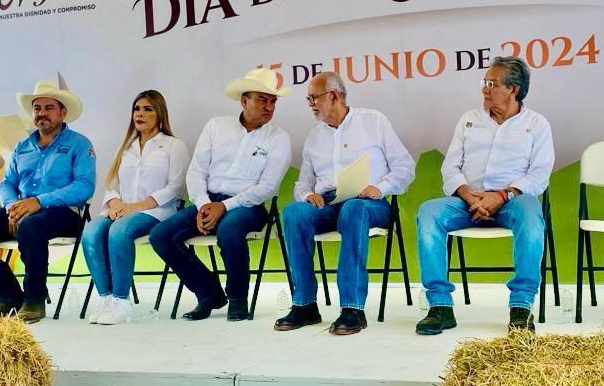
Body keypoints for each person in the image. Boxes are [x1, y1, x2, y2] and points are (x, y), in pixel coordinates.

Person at [414, 56, 554, 335]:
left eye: (492, 84)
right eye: (484, 82)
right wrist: (469, 196)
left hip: (512, 202)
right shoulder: (469, 120)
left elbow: (539, 174)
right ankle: (440, 306)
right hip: (468, 200)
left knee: (531, 211)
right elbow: (450, 167)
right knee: (429, 211)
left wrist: (502, 196)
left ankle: (521, 306)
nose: (484, 89)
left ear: (513, 89)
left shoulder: (536, 124)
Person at [274, 72, 415, 335]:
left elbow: (405, 167)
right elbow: (302, 183)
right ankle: (305, 304)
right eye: (308, 99)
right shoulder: (314, 137)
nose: (311, 104)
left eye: (314, 98)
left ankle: (352, 309)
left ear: (334, 96)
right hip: (327, 204)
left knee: (353, 209)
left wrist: (380, 188)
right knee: (294, 212)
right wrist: (307, 195)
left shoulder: (373, 121)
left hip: (369, 203)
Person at [149, 69, 291, 322]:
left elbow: (268, 187)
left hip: (249, 206)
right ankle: (208, 293)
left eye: (273, 101)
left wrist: (224, 206)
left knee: (229, 229)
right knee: (160, 235)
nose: (269, 107)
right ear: (244, 101)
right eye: (262, 100)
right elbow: (196, 171)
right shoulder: (216, 126)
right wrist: (204, 204)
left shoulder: (279, 138)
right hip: (207, 200)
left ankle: (237, 300)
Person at [0, 80, 96, 323]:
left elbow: (84, 186)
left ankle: (35, 299)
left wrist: (39, 201)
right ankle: (8, 295)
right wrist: (11, 207)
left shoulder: (79, 144)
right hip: (21, 211)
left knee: (31, 226)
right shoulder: (23, 146)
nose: (42, 113)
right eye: (37, 108)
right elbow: (7, 182)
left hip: (64, 213)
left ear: (62, 112)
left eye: (49, 108)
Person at [82, 90, 188, 325]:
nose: (140, 114)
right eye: (136, 109)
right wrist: (116, 204)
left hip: (157, 212)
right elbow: (112, 184)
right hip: (122, 210)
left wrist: (137, 206)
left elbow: (176, 187)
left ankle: (121, 300)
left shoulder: (173, 145)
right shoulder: (126, 148)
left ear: (159, 114)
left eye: (147, 109)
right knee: (91, 232)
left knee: (119, 231)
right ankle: (107, 299)